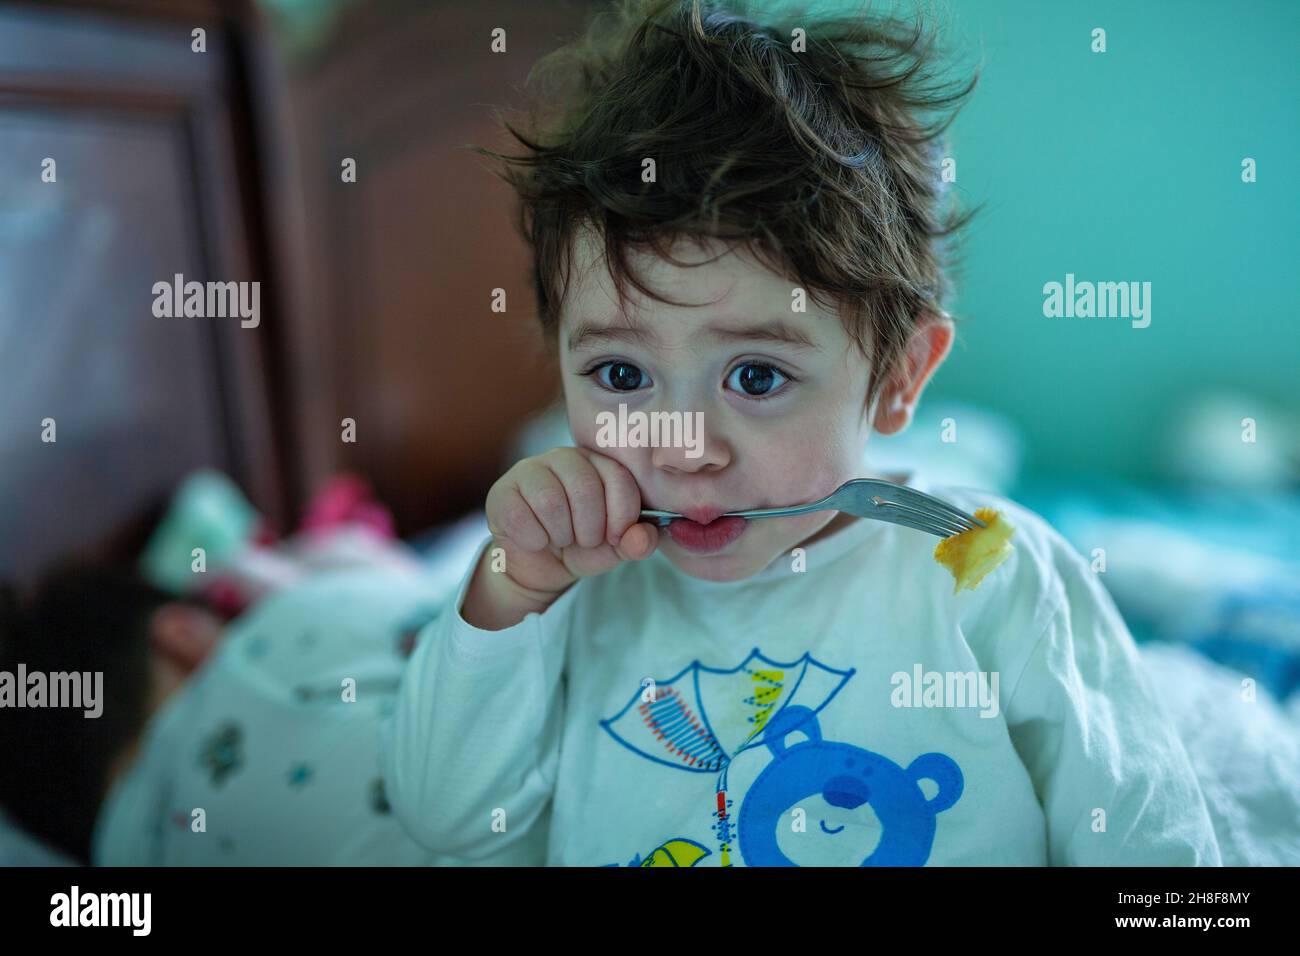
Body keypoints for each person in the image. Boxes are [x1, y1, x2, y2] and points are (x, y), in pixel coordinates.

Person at [380, 0, 1220, 866]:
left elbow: (1158, 849)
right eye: (623, 376)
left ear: (899, 378)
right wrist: (509, 595)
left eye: (757, 377)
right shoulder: (566, 592)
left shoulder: (983, 571)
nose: (681, 446)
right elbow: (442, 819)